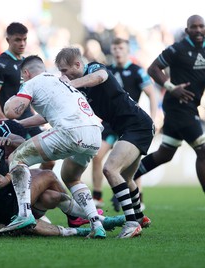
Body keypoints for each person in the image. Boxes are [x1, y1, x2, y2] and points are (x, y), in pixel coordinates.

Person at [0, 104, 123, 238]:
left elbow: (23, 142)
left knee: (51, 197)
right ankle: (86, 222)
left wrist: (10, 142)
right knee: (47, 175)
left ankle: (79, 222)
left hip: (13, 193)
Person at [1, 56, 106, 238]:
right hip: (94, 133)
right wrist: (20, 125)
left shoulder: (32, 82)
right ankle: (96, 225)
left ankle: (24, 214)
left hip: (71, 130)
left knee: (17, 158)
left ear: (26, 73)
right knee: (71, 178)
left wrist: (10, 103)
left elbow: (11, 112)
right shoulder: (60, 81)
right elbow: (44, 117)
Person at [55, 47, 153, 238]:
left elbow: (99, 78)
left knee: (110, 169)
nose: (62, 75)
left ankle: (132, 223)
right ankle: (140, 217)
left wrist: (70, 84)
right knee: (126, 177)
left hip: (137, 125)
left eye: (64, 70)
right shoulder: (79, 88)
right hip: (127, 128)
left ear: (77, 64)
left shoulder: (94, 68)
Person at [133, 15, 205, 194]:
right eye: (193, 27)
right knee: (203, 150)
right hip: (177, 106)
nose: (198, 30)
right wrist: (171, 87)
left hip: (190, 107)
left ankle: (127, 177)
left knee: (165, 154)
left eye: (201, 26)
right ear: (187, 30)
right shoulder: (178, 49)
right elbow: (153, 68)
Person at [92, 37, 158, 210]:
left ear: (127, 50)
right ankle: (97, 197)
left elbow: (152, 93)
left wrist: (154, 117)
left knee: (130, 164)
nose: (117, 51)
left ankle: (139, 199)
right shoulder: (107, 70)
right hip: (110, 123)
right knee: (98, 156)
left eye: (120, 48)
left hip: (131, 122)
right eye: (114, 48)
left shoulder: (137, 71)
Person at [0, 22, 54, 170]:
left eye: (24, 39)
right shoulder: (0, 64)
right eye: (17, 40)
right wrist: (3, 120)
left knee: (49, 160)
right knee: (14, 162)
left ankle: (37, 188)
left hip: (28, 119)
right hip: (10, 121)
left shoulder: (26, 63)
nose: (22, 43)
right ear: (8, 40)